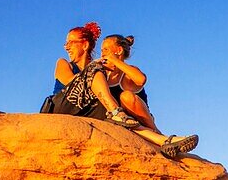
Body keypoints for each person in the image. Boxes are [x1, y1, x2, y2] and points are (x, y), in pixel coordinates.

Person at [44, 23, 198, 158]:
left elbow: (139, 80)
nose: (66, 46)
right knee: (112, 104)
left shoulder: (102, 74)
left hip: (86, 110)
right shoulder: (66, 64)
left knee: (121, 120)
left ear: (84, 45)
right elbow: (72, 82)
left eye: (70, 42)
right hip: (65, 105)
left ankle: (163, 140)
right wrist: (94, 70)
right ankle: (117, 113)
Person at [100, 34, 198, 157]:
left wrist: (115, 61)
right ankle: (164, 141)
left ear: (118, 50)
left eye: (106, 49)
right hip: (119, 120)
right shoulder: (103, 75)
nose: (102, 53)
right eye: (102, 50)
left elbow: (140, 79)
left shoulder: (128, 71)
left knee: (126, 96)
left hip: (140, 118)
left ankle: (157, 133)